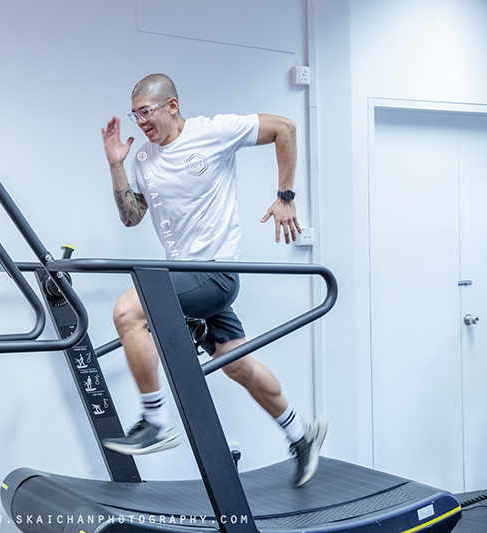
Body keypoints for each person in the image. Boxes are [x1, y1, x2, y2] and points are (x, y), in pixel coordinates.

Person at [99, 73, 327, 488]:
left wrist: (285, 197)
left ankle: (154, 419)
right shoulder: (144, 159)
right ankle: (301, 433)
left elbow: (285, 128)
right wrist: (117, 165)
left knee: (127, 311)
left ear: (172, 105)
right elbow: (131, 216)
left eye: (146, 112)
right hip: (186, 276)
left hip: (216, 273)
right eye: (135, 116)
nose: (141, 123)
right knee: (237, 365)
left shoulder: (213, 132)